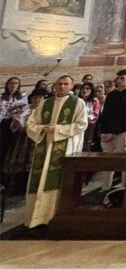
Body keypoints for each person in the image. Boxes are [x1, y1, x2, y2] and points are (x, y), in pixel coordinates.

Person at [24, 75, 87, 227]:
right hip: (44, 146)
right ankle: (35, 218)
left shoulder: (78, 103)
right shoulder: (45, 103)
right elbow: (31, 123)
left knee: (58, 178)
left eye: (66, 84)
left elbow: (82, 124)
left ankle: (54, 216)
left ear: (71, 86)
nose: (62, 87)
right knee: (40, 179)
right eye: (59, 84)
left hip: (64, 147)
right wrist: (41, 129)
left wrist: (57, 129)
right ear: (55, 86)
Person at [96, 69, 126, 191]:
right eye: (118, 78)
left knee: (123, 159)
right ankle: (106, 186)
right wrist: (102, 131)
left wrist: (114, 133)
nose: (119, 80)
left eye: (122, 78)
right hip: (107, 131)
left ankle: (124, 186)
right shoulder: (112, 95)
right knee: (108, 161)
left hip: (123, 131)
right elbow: (106, 113)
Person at [78, 83, 100, 152]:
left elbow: (95, 115)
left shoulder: (95, 100)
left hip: (89, 126)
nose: (85, 90)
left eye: (87, 89)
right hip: (77, 126)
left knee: (86, 147)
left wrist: (83, 118)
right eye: (83, 88)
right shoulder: (77, 100)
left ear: (92, 90)